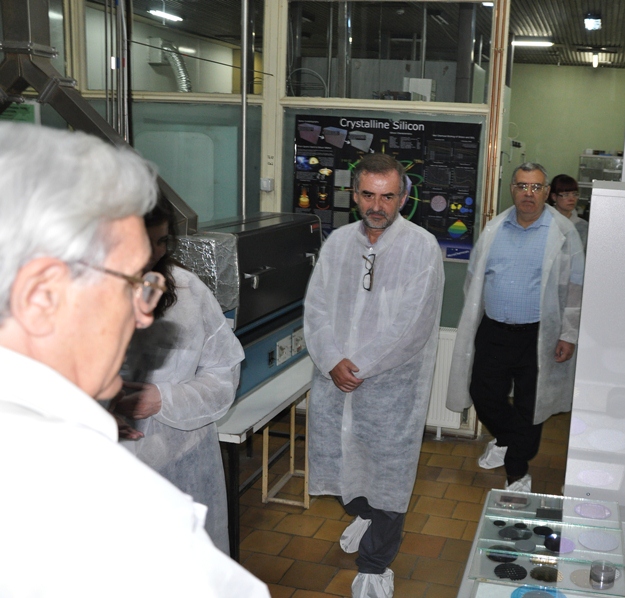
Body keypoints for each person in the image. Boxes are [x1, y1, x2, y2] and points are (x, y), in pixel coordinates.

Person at [0, 122, 268, 597]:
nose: (144, 316)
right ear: (41, 295)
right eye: (130, 282)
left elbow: (222, 370)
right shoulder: (114, 507)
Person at [304, 153, 444, 598]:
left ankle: (375, 565)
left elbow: (411, 325)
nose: (377, 206)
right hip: (334, 381)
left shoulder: (421, 247)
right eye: (368, 195)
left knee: (388, 477)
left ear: (403, 197)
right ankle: (362, 514)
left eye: (387, 197)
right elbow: (316, 308)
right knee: (342, 465)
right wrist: (331, 359)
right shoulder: (337, 244)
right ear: (354, 194)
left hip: (389, 390)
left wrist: (359, 366)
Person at [114, 201, 244, 554]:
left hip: (182, 463)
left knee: (187, 565)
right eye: (144, 242)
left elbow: (223, 371)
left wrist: (163, 399)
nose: (154, 255)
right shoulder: (75, 294)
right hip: (110, 472)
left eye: (161, 242)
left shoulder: (187, 291)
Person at [447, 162, 585, 492]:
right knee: (483, 395)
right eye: (522, 186)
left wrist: (568, 334)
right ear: (512, 189)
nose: (529, 193)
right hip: (494, 331)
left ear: (547, 193)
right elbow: (473, 280)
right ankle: (509, 440)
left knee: (530, 405)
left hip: (538, 336)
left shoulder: (564, 233)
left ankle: (517, 471)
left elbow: (576, 288)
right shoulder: (493, 229)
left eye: (536, 187)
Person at [549, 173, 589, 248]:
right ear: (554, 197)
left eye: (575, 194)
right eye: (566, 194)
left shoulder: (582, 225)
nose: (572, 199)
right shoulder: (545, 220)